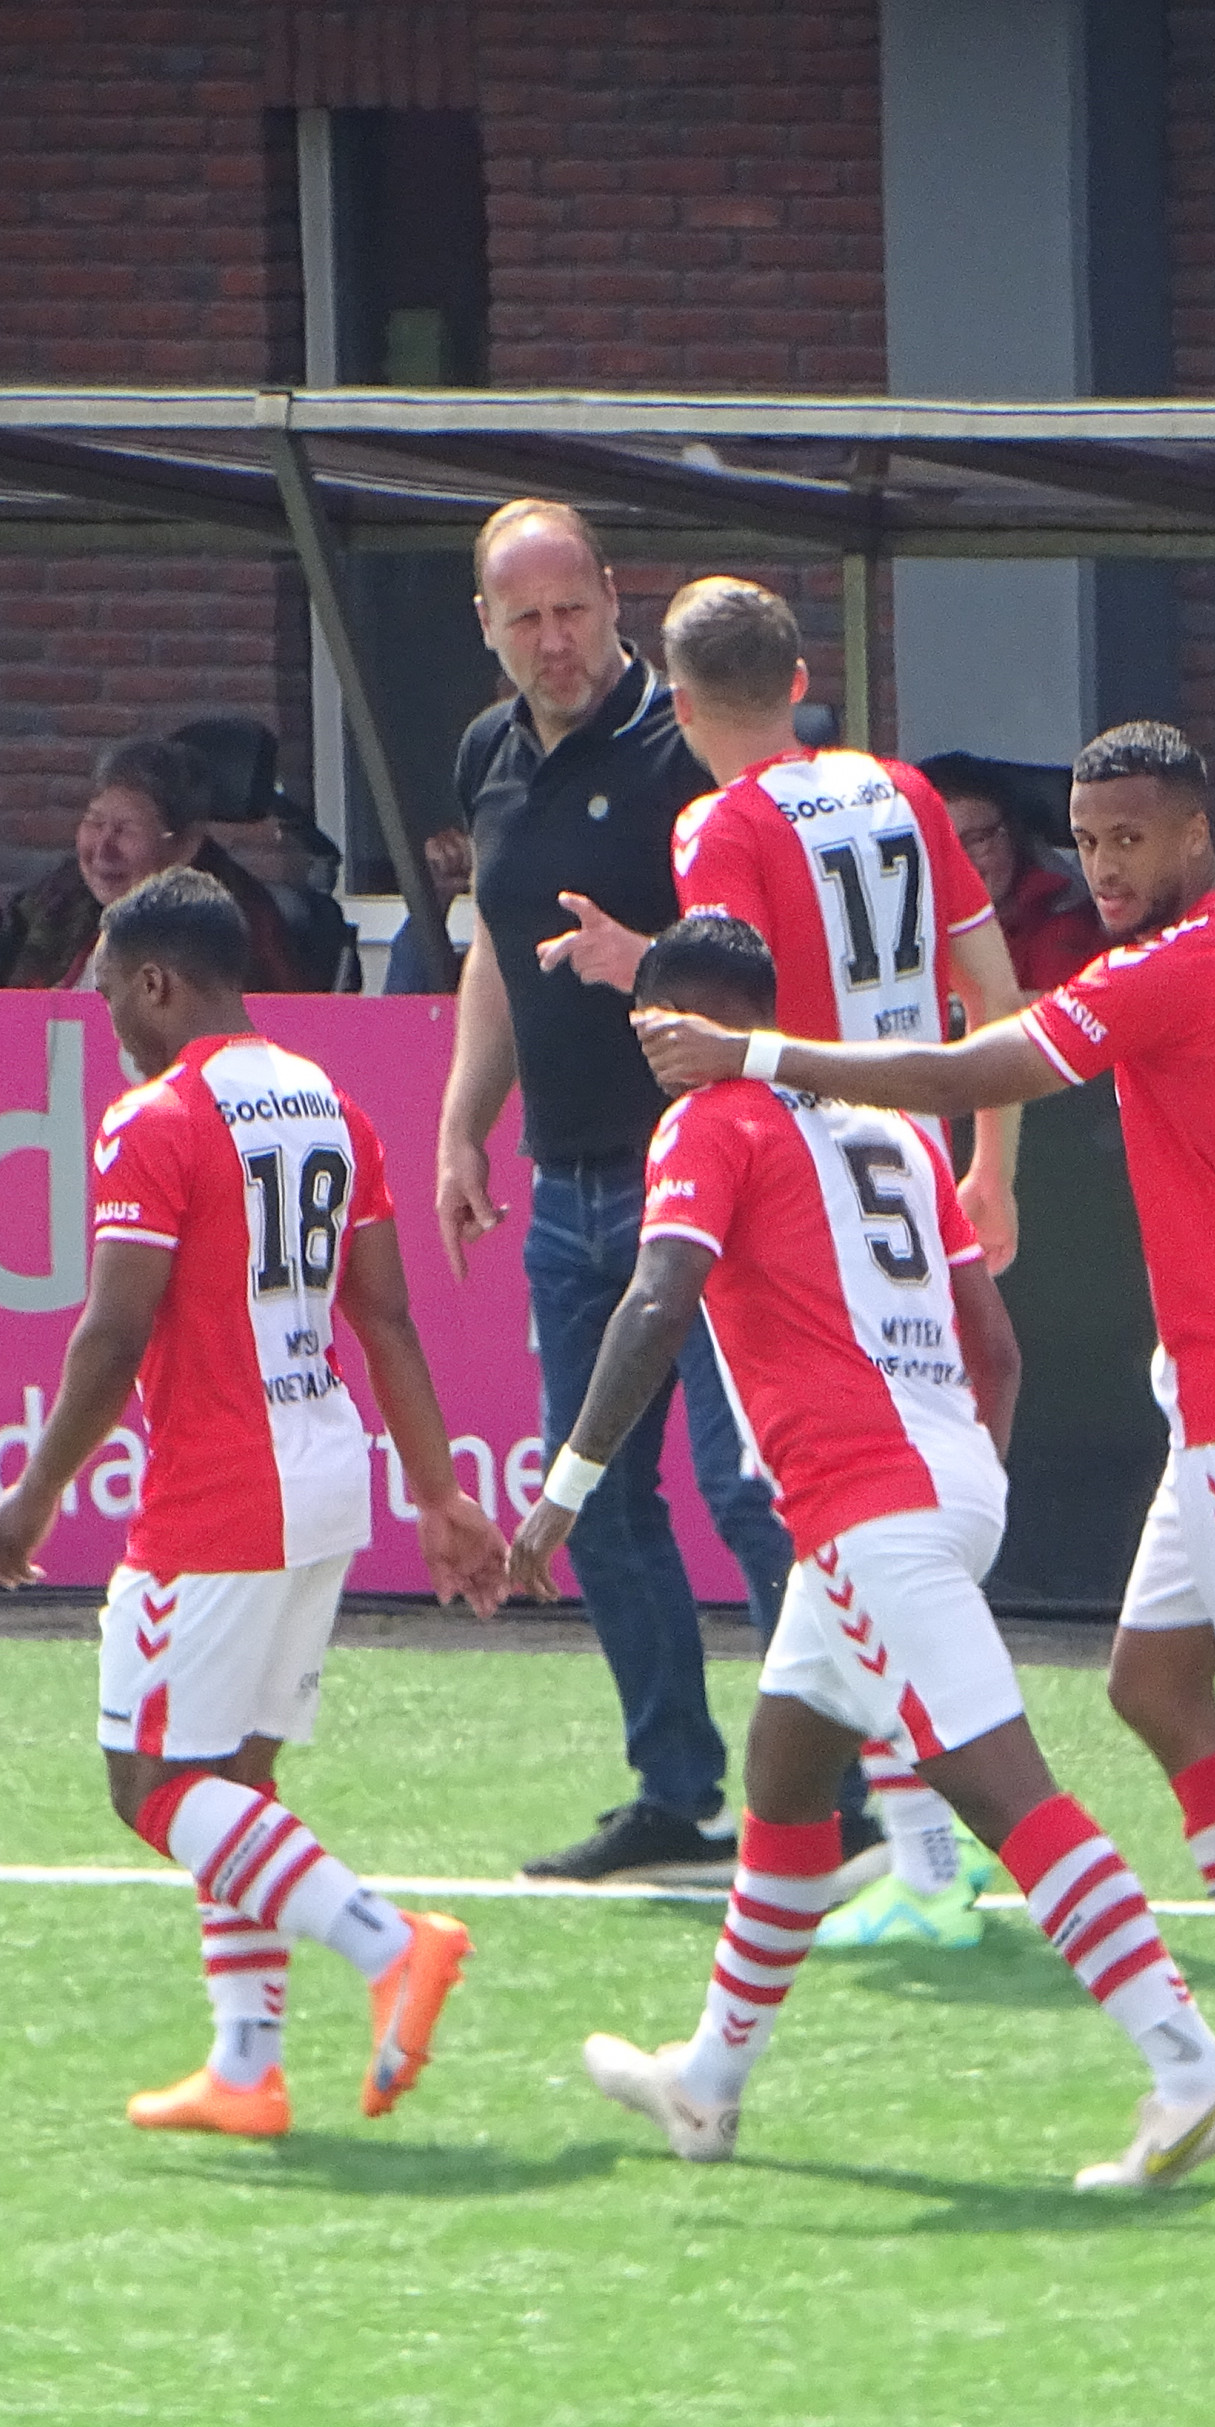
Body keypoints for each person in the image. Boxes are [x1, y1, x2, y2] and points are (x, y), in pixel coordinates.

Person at [637, 721, 1215, 2144]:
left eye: (1132, 837)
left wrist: (756, 1054)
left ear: (1197, 830)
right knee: (1152, 1682)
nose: (1107, 864)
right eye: (1089, 840)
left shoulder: (1173, 969)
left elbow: (979, 1072)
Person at [516, 915, 1215, 2187]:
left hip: (869, 1495)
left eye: (648, 1019)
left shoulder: (709, 1120)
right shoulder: (896, 1127)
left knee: (997, 1785)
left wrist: (566, 1489)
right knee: (789, 1767)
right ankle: (708, 2080)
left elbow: (656, 1299)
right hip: (942, 1475)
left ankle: (1192, 2068)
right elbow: (996, 1340)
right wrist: (959, 1499)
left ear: (671, 1018)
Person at [527, 574, 1037, 1946]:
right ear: (802, 676)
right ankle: (926, 1850)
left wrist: (643, 975)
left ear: (679, 702)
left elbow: (741, 1009)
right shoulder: (902, 791)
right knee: (881, 1478)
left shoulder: (720, 821)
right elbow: (995, 999)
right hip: (918, 1151)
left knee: (805, 1486)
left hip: (812, 1170)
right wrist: (995, 1164)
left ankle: (938, 1851)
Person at [0, 867, 509, 2139]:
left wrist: (36, 1494)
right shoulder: (329, 1103)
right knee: (237, 1781)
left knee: (152, 1784)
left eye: (111, 996)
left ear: (158, 983)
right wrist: (437, 1494)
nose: (109, 1024)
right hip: (324, 1471)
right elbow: (383, 1317)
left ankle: (390, 1945)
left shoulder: (155, 1120)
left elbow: (112, 1332)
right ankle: (245, 2064)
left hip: (221, 1490)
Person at [427, 500, 813, 1890]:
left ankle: (828, 1787)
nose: (554, 640)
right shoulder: (488, 752)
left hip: (709, 1177)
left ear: (613, 598)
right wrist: (467, 1121)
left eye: (572, 610)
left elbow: (775, 973)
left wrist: (636, 966)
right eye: (523, 618)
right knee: (600, 1502)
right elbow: (495, 950)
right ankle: (678, 1791)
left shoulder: (689, 744)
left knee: (747, 1480)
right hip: (569, 1178)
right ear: (487, 628)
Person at [0, 734, 322, 994]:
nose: (101, 850)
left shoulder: (230, 921)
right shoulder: (64, 896)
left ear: (185, 844)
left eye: (126, 830)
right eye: (94, 823)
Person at [920, 751, 1109, 996]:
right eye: (940, 846)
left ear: (1013, 835)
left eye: (977, 840)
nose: (960, 862)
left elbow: (1057, 1018)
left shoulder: (1062, 923)